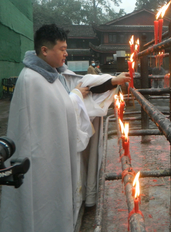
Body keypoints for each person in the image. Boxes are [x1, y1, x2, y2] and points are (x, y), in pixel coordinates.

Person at [0, 24, 130, 232]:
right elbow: (61, 111)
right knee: (42, 206)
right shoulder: (33, 79)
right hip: (40, 159)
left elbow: (70, 96)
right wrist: (77, 96)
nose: (66, 53)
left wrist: (106, 83)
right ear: (44, 50)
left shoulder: (51, 74)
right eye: (62, 49)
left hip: (51, 153)